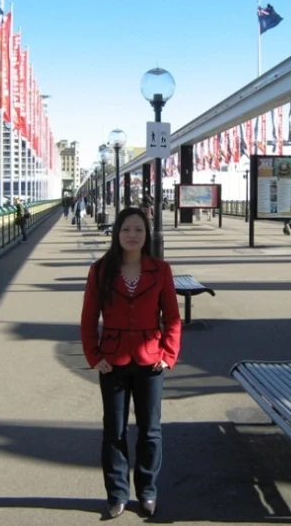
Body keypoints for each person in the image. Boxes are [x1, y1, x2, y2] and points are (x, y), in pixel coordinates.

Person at [80, 207, 182, 520]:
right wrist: (94, 357)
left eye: (139, 229)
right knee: (114, 430)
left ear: (146, 234)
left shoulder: (160, 269)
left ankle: (148, 491)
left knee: (150, 431)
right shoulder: (100, 270)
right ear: (117, 233)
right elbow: (88, 318)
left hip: (151, 360)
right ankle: (117, 494)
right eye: (126, 229)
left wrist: (168, 355)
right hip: (112, 361)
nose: (132, 235)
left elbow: (173, 318)